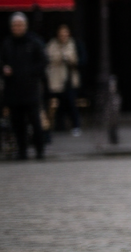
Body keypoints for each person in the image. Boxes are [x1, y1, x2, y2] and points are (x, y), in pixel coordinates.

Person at [1, 12, 48, 159]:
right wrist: (4, 69)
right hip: (13, 89)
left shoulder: (34, 42)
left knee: (35, 121)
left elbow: (43, 61)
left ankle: (40, 150)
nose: (17, 28)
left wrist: (30, 73)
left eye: (20, 25)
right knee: (17, 123)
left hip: (30, 88)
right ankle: (22, 151)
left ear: (25, 26)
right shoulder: (7, 43)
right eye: (15, 25)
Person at [45, 24, 82, 136]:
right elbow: (48, 58)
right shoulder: (52, 44)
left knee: (71, 103)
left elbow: (77, 59)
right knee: (58, 104)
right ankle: (58, 126)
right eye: (61, 34)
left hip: (69, 79)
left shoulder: (72, 44)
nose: (63, 36)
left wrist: (68, 58)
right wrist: (60, 56)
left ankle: (76, 126)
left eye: (65, 33)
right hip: (56, 79)